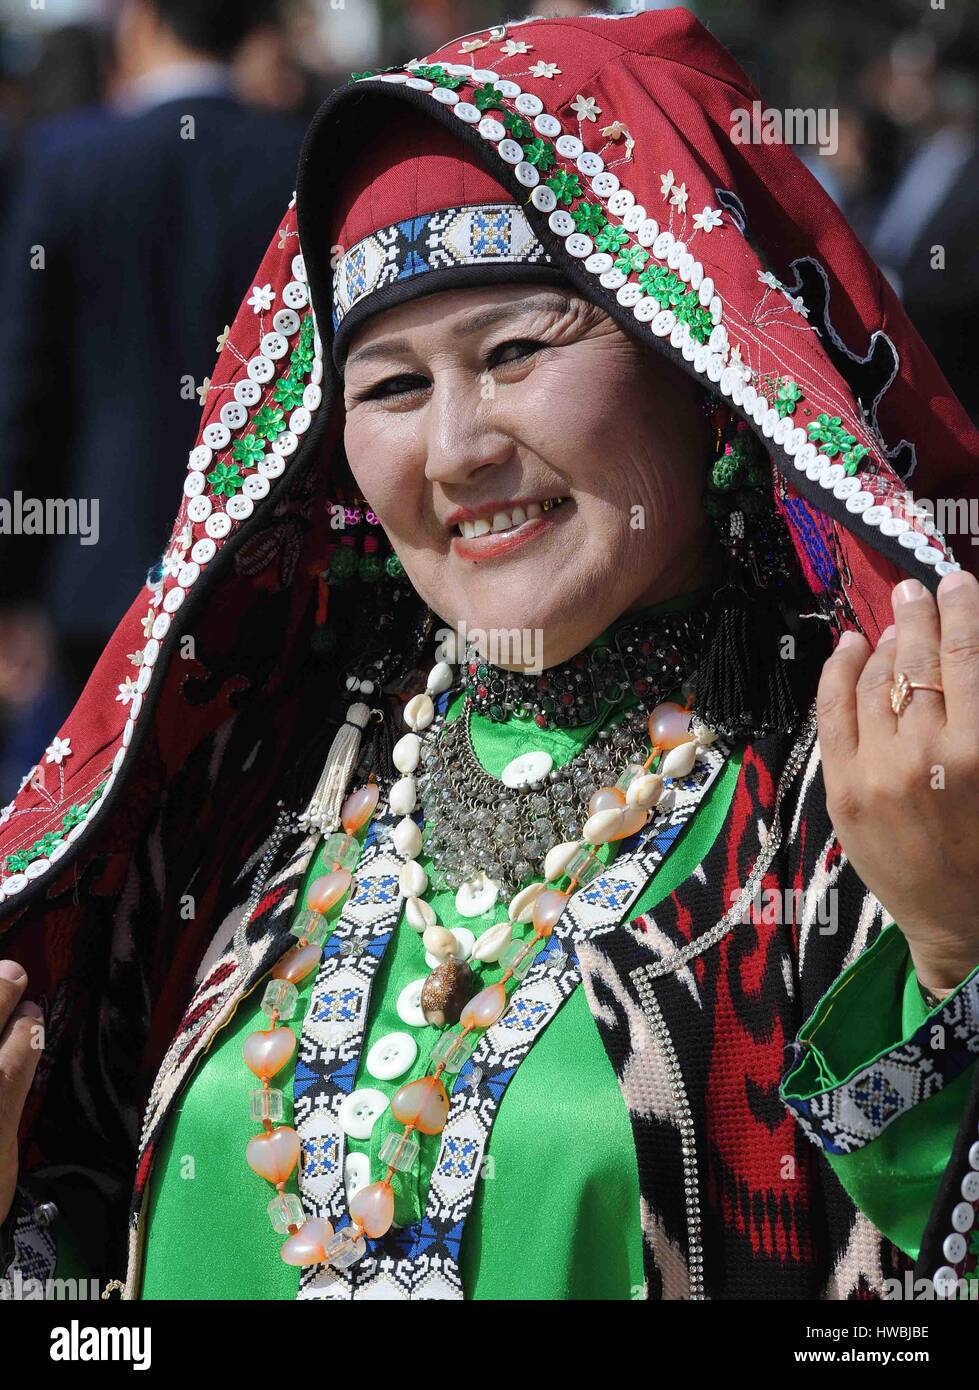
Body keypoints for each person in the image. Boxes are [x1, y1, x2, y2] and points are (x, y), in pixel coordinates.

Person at [1, 7, 978, 1302]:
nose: (455, 448)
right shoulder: (249, 781)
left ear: (693, 354)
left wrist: (952, 954)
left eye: (517, 351)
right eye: (392, 385)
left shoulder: (868, 786)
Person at [0, 0, 305, 798]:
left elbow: (24, 388)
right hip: (263, 558)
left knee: (75, 815)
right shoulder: (298, 155)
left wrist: (13, 581)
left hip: (95, 569)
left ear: (140, 22)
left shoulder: (67, 160)